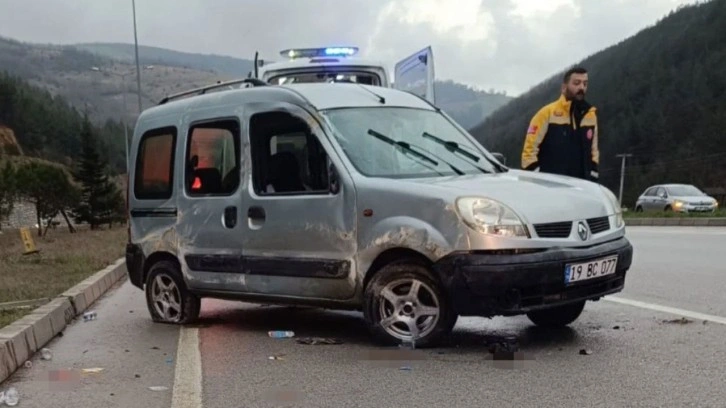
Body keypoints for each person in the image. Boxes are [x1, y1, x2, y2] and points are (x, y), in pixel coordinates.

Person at [521, 66, 599, 182]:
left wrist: (593, 176)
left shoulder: (591, 115)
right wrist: (538, 179)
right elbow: (529, 152)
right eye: (576, 83)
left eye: (585, 84)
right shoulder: (546, 114)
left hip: (581, 187)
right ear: (564, 87)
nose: (581, 87)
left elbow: (594, 152)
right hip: (549, 188)